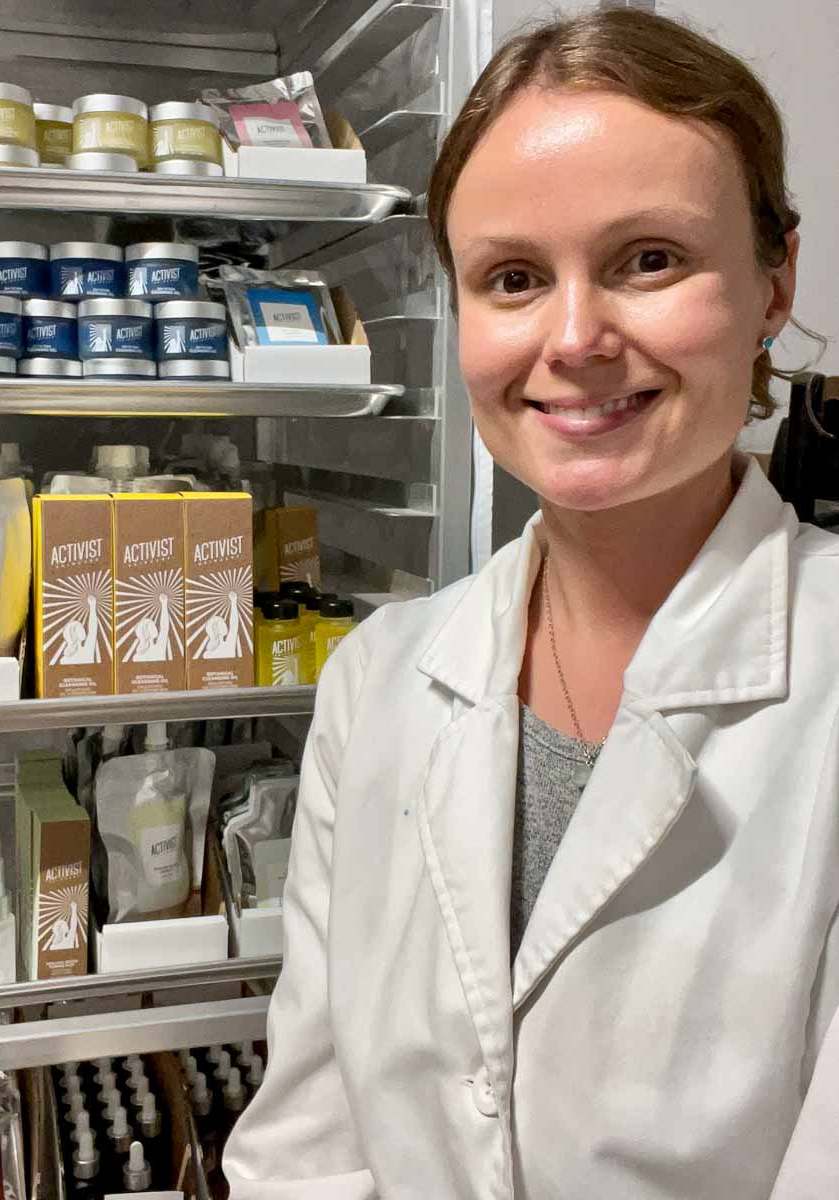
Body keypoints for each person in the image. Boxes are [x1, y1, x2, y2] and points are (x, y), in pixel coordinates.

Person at [224, 9, 839, 1199]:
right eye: (511, 278)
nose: (572, 339)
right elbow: (305, 1143)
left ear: (774, 281)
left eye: (647, 259)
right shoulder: (379, 675)